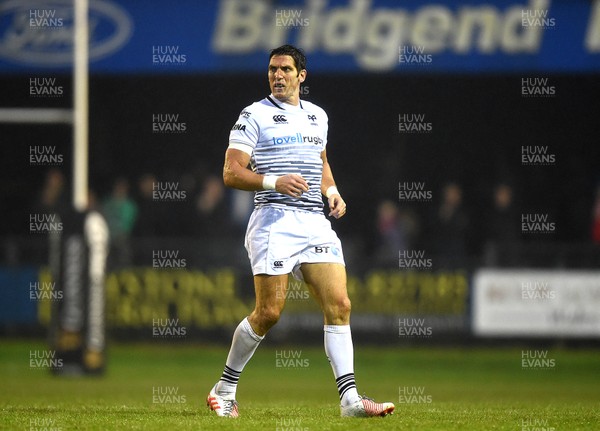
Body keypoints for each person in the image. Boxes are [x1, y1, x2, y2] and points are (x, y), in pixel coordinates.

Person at [206, 45, 395, 418]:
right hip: (274, 220)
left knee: (340, 305)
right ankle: (224, 388)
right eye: (273, 69)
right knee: (269, 312)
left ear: (301, 76)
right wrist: (274, 181)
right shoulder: (253, 115)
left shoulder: (317, 117)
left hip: (313, 223)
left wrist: (332, 191)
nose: (277, 75)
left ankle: (350, 401)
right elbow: (230, 173)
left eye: (285, 70)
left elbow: (321, 162)